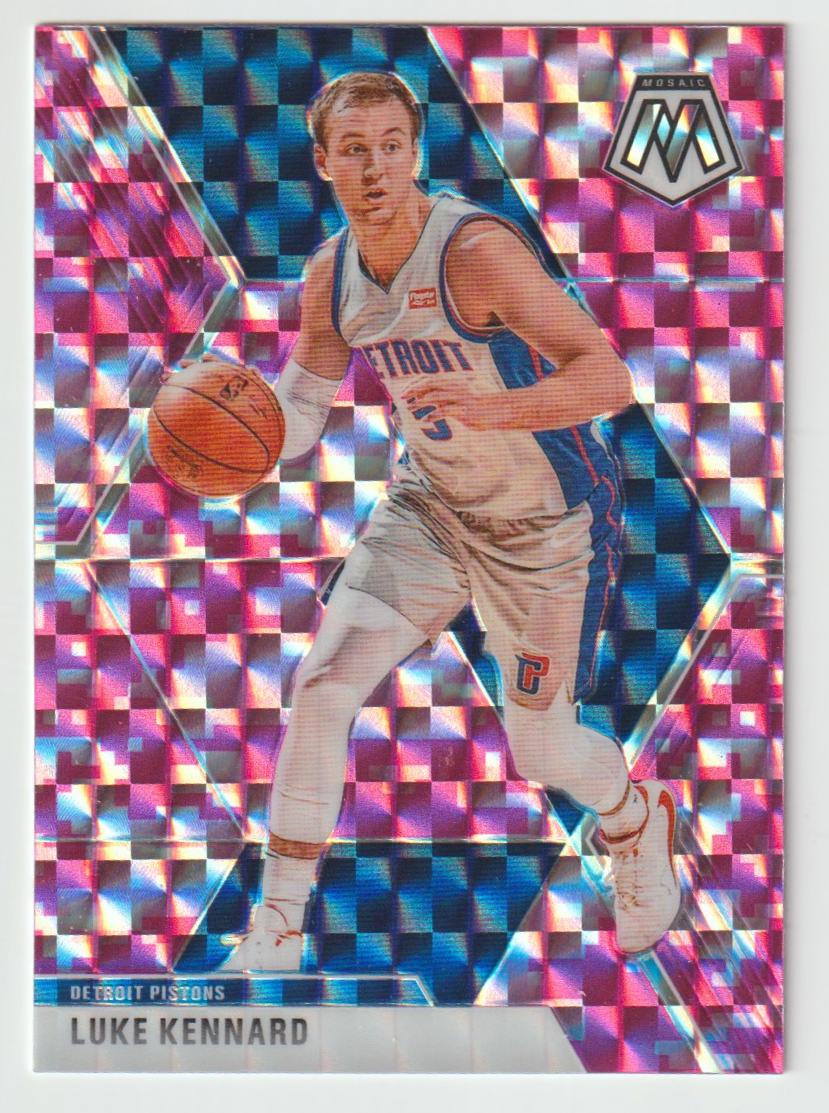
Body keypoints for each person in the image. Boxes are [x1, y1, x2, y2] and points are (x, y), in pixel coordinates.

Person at [223, 71, 680, 970]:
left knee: (539, 747)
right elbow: (303, 404)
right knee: (323, 685)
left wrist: (493, 410)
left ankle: (635, 821)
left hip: (545, 526)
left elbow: (606, 377)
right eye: (354, 149)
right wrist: (245, 437)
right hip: (430, 510)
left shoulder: (473, 252)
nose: (375, 167)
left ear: (415, 152)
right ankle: (275, 925)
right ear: (323, 162)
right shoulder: (330, 275)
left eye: (392, 145)